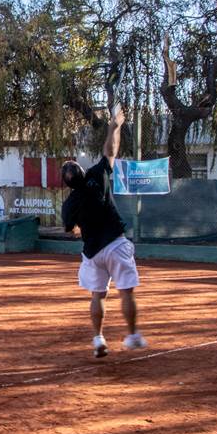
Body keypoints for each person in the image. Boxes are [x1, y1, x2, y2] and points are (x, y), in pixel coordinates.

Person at [61, 104, 147, 359]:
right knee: (126, 291)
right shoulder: (97, 175)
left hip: (92, 253)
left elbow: (71, 228)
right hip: (115, 244)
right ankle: (132, 336)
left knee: (98, 295)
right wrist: (114, 125)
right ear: (82, 170)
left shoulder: (70, 203)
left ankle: (98, 338)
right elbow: (111, 149)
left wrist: (79, 228)